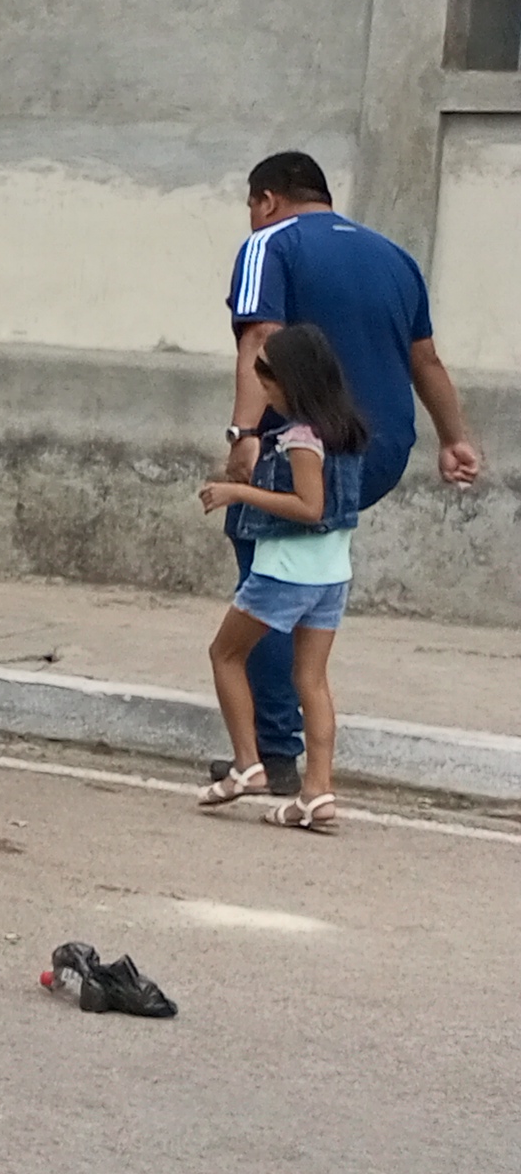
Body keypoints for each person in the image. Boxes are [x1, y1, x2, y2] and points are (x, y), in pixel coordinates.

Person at [217, 151, 481, 799]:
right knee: (311, 567)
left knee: (267, 576)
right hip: (378, 447)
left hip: (298, 447)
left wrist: (244, 435)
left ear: (267, 200)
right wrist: (454, 438)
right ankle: (309, 764)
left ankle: (273, 751)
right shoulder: (394, 256)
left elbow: (260, 337)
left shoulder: (270, 244)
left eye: (252, 206)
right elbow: (426, 359)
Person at [197, 323, 370, 833]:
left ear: (292, 382)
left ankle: (247, 763)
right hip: (331, 574)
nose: (263, 389)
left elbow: (308, 506)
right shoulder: (347, 431)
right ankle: (317, 791)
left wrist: (237, 493)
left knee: (225, 654)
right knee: (311, 679)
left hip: (284, 572)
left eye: (267, 379)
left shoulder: (301, 437)